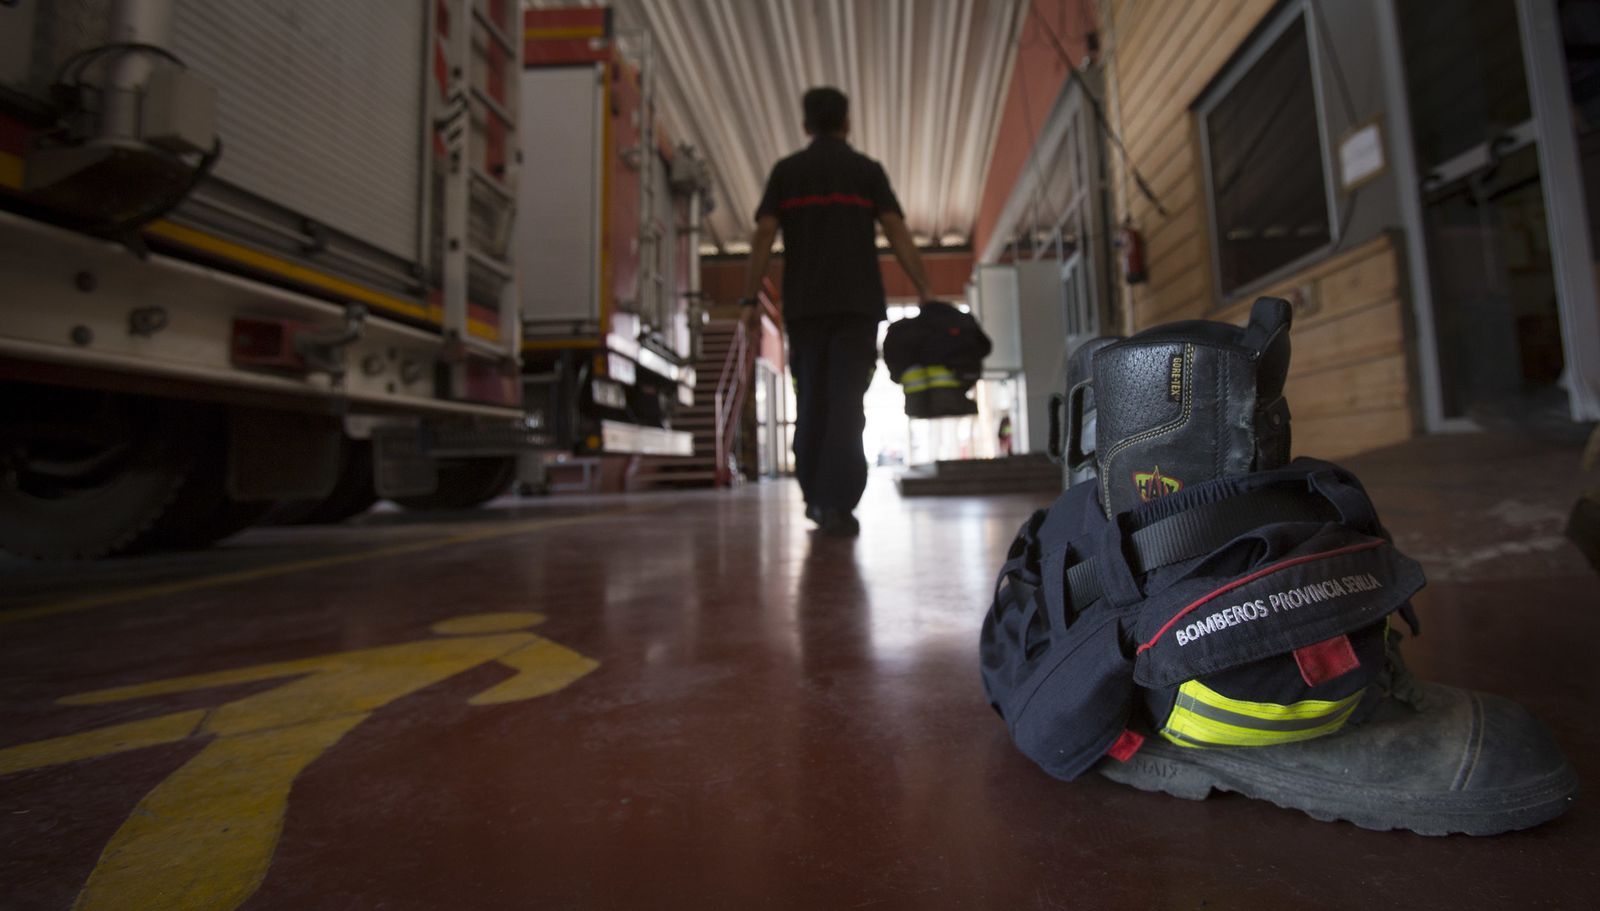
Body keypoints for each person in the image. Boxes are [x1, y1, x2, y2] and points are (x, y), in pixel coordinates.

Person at [740, 86, 932, 537]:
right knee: (847, 403)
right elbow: (897, 231)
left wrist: (749, 299)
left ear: (805, 125)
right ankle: (839, 504)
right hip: (856, 308)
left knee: (811, 399)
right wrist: (924, 286)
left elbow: (763, 237)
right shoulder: (865, 172)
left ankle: (816, 497)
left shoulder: (787, 173)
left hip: (805, 310)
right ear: (848, 123)